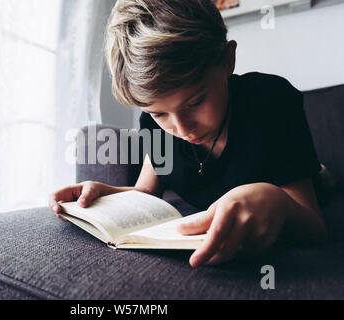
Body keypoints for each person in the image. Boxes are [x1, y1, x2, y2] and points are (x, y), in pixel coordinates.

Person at [49, 0, 327, 268]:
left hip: (300, 185)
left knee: (324, 182)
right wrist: (105, 195)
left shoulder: (270, 101)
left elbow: (315, 225)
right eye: (159, 113)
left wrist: (275, 199)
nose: (181, 129)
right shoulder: (152, 126)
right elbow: (145, 193)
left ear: (228, 60)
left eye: (195, 102)